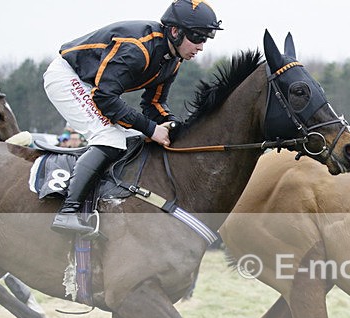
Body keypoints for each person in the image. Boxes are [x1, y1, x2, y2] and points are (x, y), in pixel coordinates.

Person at [43, 0, 223, 236]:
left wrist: (170, 123)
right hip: (68, 78)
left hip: (94, 88)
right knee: (109, 137)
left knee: (133, 138)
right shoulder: (138, 49)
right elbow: (105, 98)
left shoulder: (173, 61)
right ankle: (68, 213)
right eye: (198, 38)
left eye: (206, 40)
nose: (201, 47)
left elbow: (154, 104)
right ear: (176, 32)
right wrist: (151, 128)